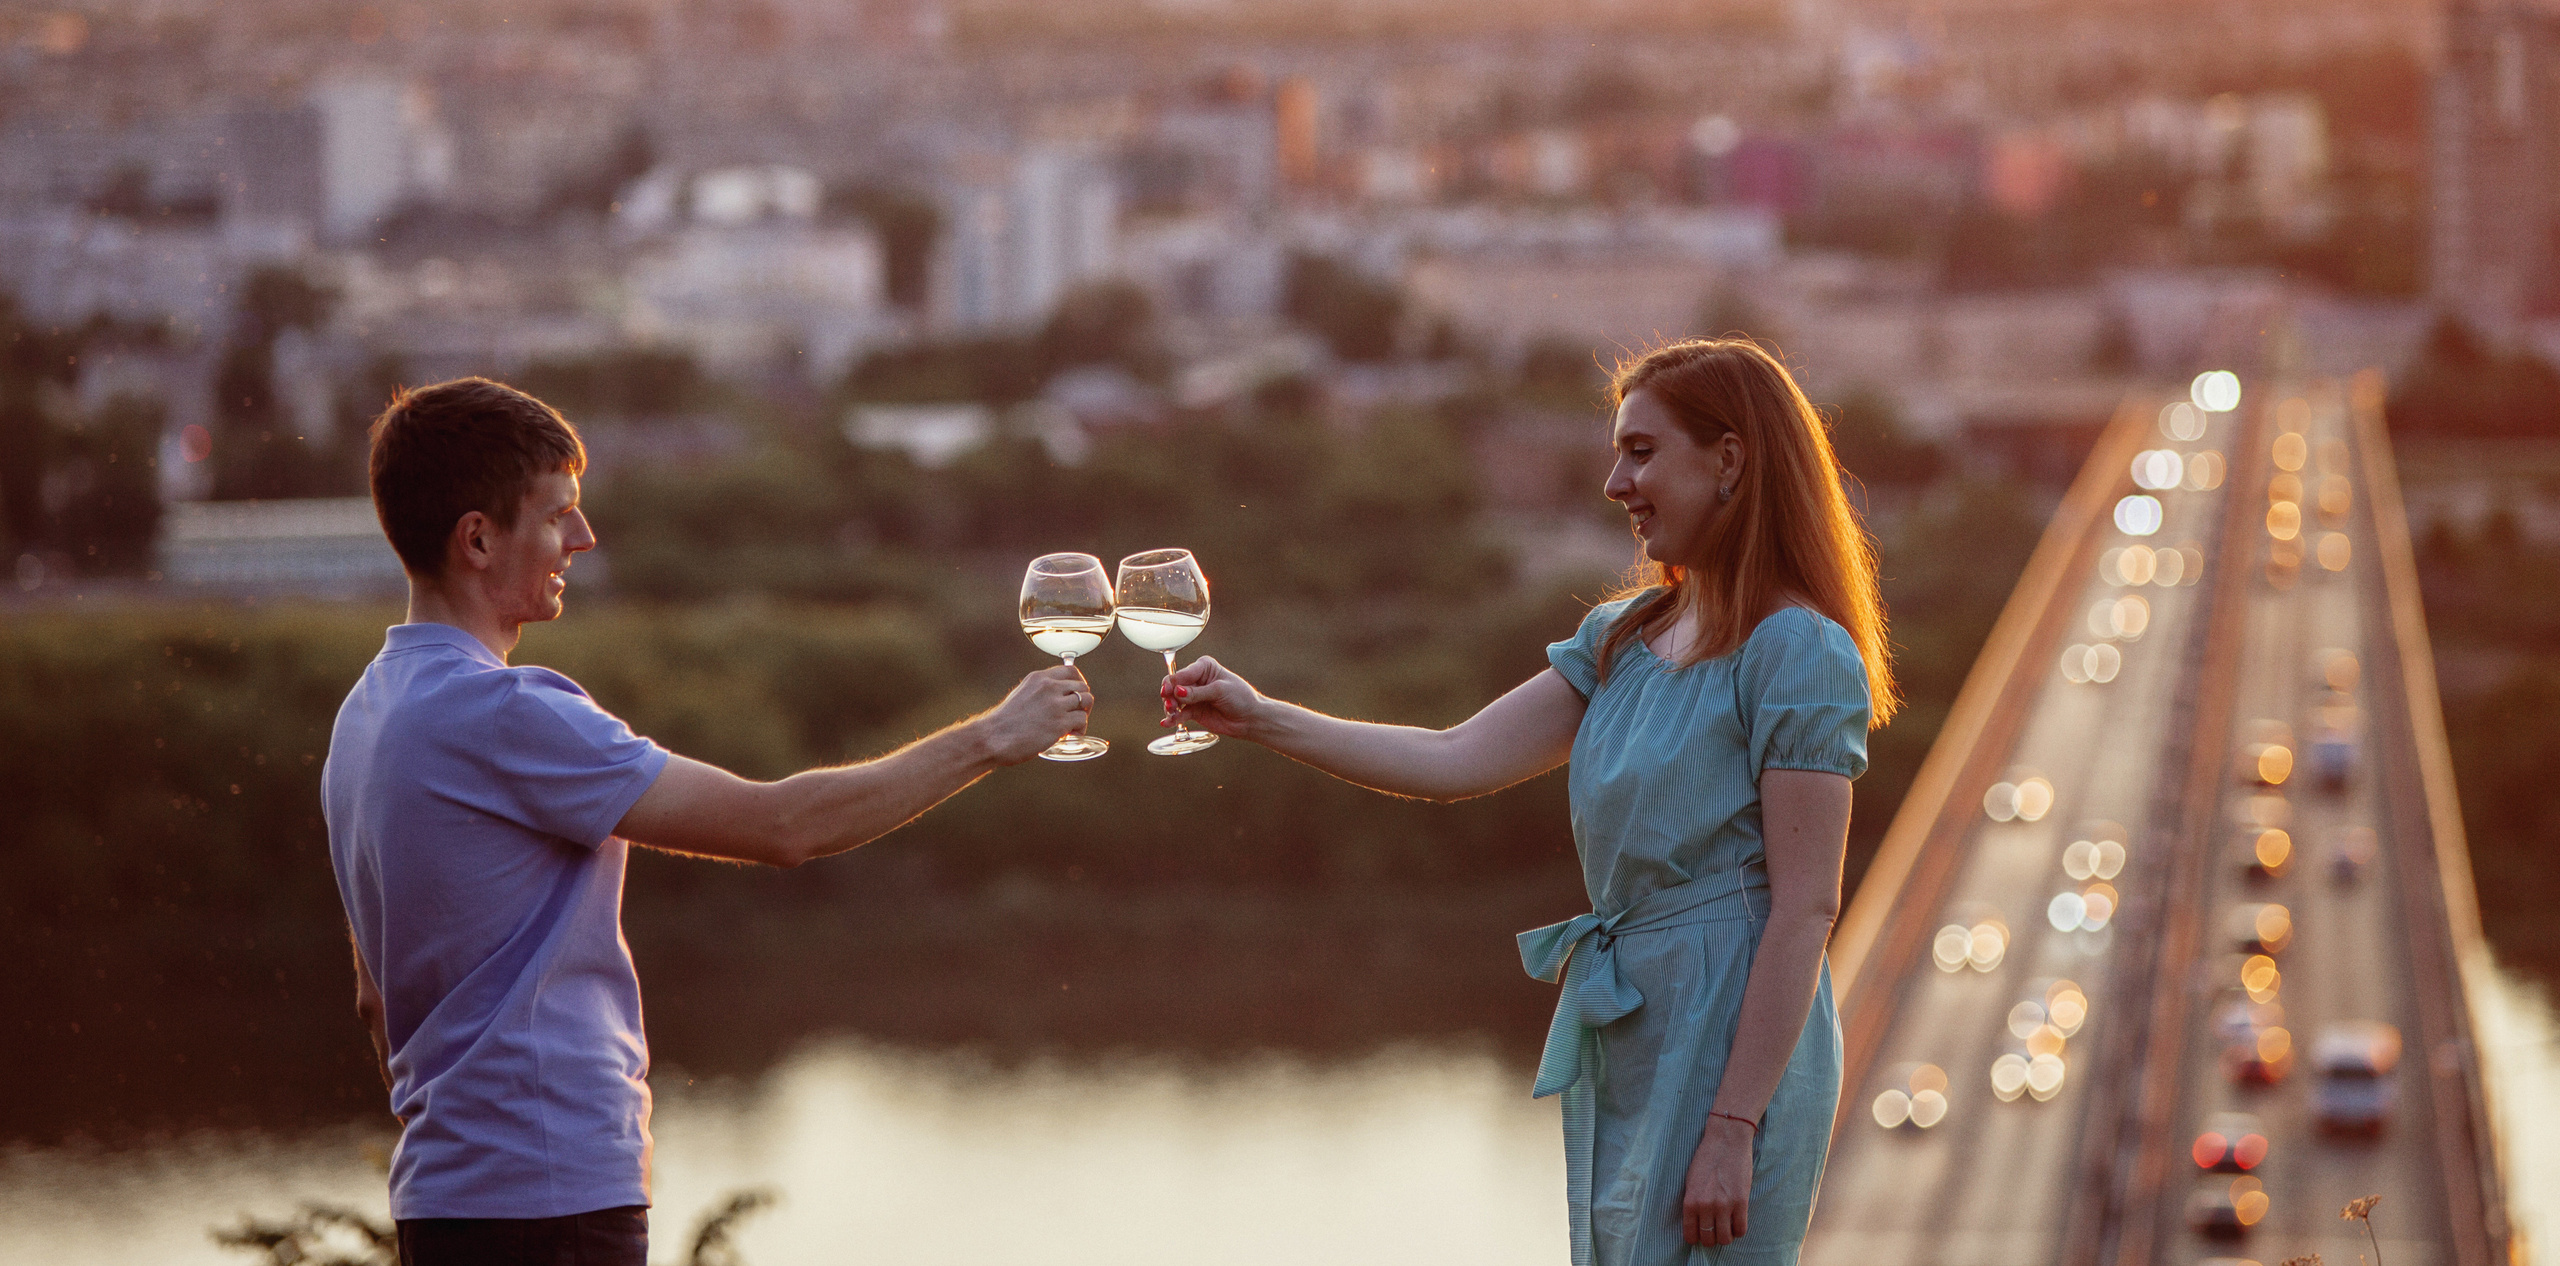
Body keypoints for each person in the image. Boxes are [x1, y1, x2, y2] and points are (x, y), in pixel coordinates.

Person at [322, 377, 1091, 1266]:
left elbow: (376, 1001)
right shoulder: (506, 715)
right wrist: (993, 738)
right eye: (558, 515)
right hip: (549, 1203)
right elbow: (783, 826)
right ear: (479, 538)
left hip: (445, 1201)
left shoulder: (368, 712)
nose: (583, 536)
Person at [1162, 337, 1893, 1265]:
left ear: (1731, 460)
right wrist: (1261, 718)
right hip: (1637, 1017)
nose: (1613, 482)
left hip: (1734, 1033)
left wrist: (1734, 1127)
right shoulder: (1624, 636)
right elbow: (1452, 757)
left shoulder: (1797, 649)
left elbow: (1807, 908)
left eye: (1640, 450)